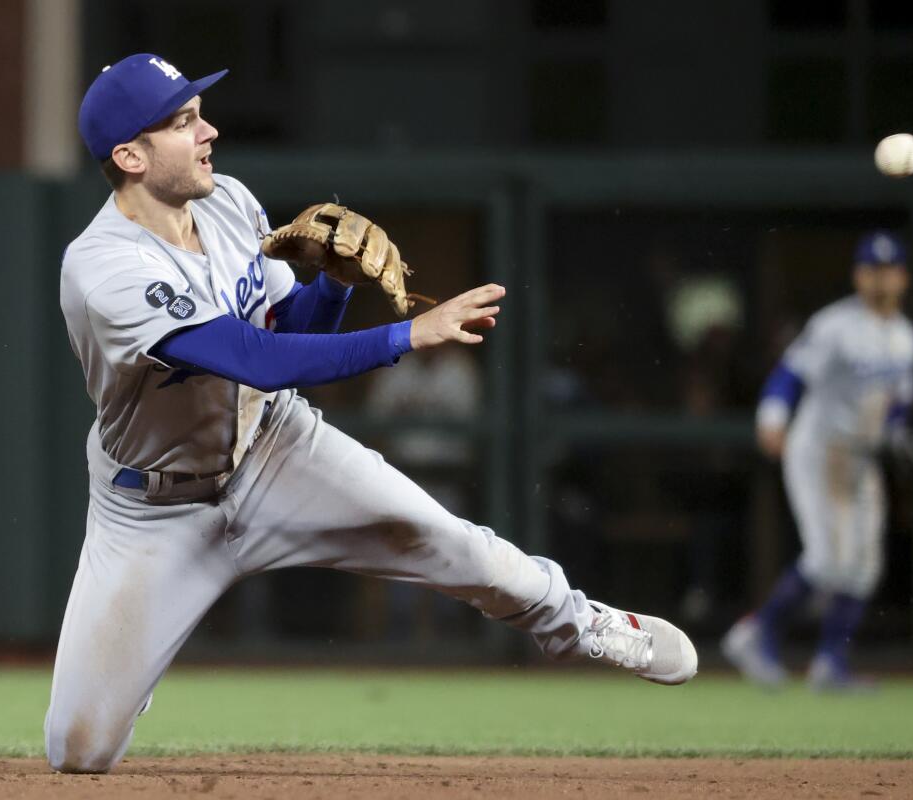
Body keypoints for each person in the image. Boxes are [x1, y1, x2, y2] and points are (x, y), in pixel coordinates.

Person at [44, 54, 697, 774]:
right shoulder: (104, 265)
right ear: (129, 155)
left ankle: (584, 625)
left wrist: (331, 284)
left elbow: (291, 330)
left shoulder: (227, 201)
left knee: (450, 540)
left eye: (200, 113)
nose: (209, 130)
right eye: (183, 121)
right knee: (79, 750)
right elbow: (252, 358)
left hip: (273, 453)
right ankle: (129, 658)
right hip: (151, 509)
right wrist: (406, 336)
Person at [721, 231, 913, 690]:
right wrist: (772, 415)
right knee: (828, 559)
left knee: (864, 565)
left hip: (861, 458)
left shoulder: (907, 339)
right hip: (817, 451)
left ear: (904, 278)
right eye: (872, 271)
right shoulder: (836, 326)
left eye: (889, 271)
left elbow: (897, 407)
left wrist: (902, 429)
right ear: (858, 275)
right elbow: (789, 374)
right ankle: (757, 633)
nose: (881, 280)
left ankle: (830, 663)